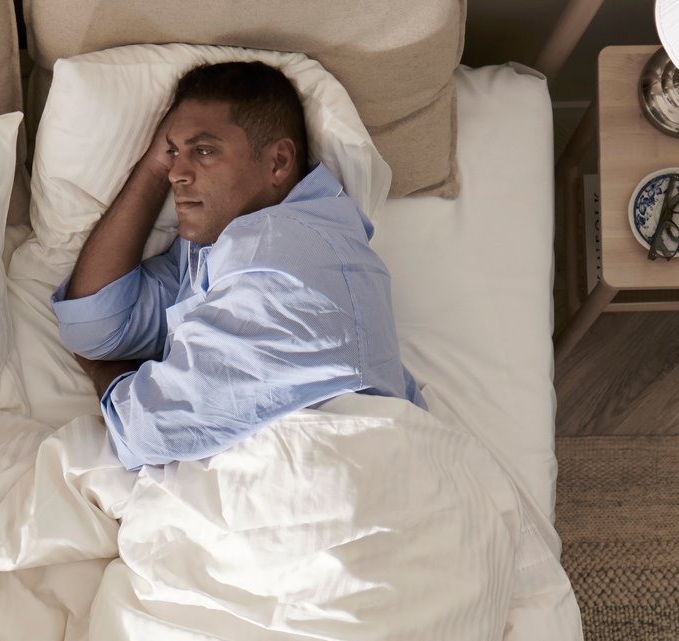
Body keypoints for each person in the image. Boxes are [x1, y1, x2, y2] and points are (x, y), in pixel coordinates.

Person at [51, 60, 427, 472]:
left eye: (204, 151)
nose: (177, 173)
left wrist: (109, 375)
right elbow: (94, 326)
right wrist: (153, 167)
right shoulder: (212, 246)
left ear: (279, 162)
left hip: (347, 468)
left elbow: (148, 429)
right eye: (173, 152)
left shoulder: (281, 247)